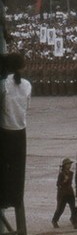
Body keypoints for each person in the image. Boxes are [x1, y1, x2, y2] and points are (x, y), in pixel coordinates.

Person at [1, 52, 33, 208]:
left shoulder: (3, 84)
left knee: (4, 166)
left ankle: (4, 198)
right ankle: (16, 198)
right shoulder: (26, 85)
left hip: (5, 130)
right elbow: (27, 106)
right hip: (20, 130)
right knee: (18, 168)